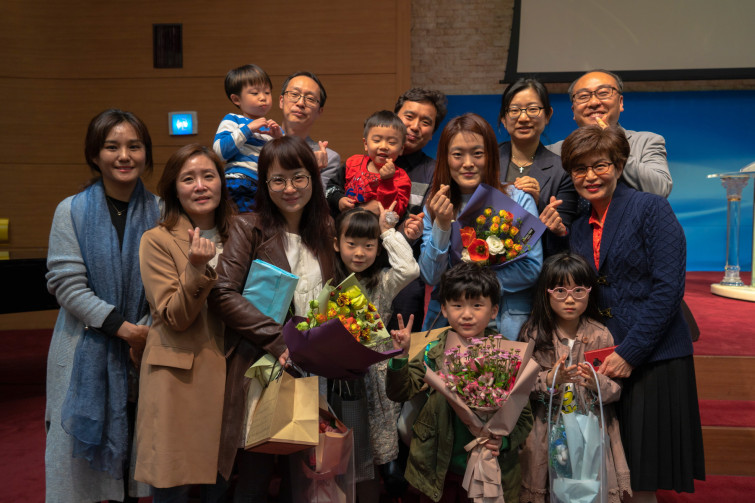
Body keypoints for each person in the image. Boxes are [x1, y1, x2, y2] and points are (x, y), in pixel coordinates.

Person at [557, 125, 704, 502]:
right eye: (579, 169)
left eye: (600, 165)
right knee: (608, 469)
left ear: (620, 166)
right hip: (604, 359)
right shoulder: (578, 227)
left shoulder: (651, 208)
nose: (590, 176)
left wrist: (630, 353)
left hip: (653, 357)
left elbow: (668, 288)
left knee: (640, 478)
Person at [207, 135, 335, 501]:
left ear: (313, 179)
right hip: (262, 367)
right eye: (278, 180)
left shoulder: (325, 231)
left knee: (305, 477)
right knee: (255, 474)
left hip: (312, 371)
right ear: (265, 184)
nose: (289, 188)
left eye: (298, 177)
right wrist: (278, 341)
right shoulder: (248, 228)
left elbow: (332, 296)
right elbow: (222, 294)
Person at [45, 109, 160, 502]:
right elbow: (66, 285)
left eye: (134, 146)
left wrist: (146, 331)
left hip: (145, 351)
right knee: (84, 475)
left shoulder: (162, 211)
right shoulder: (71, 210)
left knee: (135, 463)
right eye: (112, 147)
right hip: (84, 347)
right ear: (95, 155)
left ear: (146, 153)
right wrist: (126, 330)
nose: (124, 156)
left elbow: (167, 286)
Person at [135, 145, 235, 502]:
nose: (200, 186)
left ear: (221, 183)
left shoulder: (240, 234)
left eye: (208, 176)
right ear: (174, 190)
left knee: (220, 489)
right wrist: (195, 267)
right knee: (172, 489)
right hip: (177, 380)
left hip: (233, 376)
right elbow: (175, 317)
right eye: (188, 179)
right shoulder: (156, 240)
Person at [386, 262, 533, 503]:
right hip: (438, 469)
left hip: (489, 469)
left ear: (494, 310)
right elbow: (399, 392)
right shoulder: (432, 349)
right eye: (457, 305)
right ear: (444, 309)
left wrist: (504, 441)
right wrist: (401, 356)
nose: (466, 314)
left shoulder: (508, 354)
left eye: (477, 305)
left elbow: (524, 417)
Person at [518, 252, 631, 503]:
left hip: (591, 426)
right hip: (546, 425)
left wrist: (596, 383)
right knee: (546, 481)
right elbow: (521, 385)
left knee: (588, 484)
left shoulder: (600, 334)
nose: (570, 299)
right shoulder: (535, 333)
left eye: (578, 290)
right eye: (560, 291)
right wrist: (550, 379)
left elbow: (616, 388)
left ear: (590, 292)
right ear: (546, 293)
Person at [419, 113, 543, 339]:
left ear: (491, 155)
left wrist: (472, 287)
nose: (468, 163)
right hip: (448, 325)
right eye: (458, 154)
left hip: (505, 322)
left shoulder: (518, 200)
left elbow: (531, 268)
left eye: (477, 153)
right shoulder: (435, 205)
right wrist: (442, 226)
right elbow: (431, 276)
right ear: (445, 158)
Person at [330, 206, 420, 502]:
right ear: (336, 244)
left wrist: (387, 233)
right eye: (352, 244)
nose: (360, 253)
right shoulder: (329, 282)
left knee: (370, 463)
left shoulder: (383, 280)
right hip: (339, 382)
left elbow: (409, 269)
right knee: (341, 458)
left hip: (374, 384)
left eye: (368, 246)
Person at [546, 70, 672, 198]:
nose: (594, 102)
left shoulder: (647, 142)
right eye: (583, 96)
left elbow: (660, 190)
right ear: (573, 110)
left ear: (620, 102)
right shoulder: (552, 152)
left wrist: (614, 144)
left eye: (603, 93)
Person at [498, 78, 577, 255]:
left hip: (538, 265)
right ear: (503, 118)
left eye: (533, 109)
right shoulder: (486, 160)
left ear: (548, 115)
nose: (523, 118)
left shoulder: (562, 171)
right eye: (514, 110)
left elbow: (564, 240)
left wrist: (536, 205)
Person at [213, 64, 283, 213]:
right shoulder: (233, 120)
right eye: (255, 93)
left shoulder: (274, 128)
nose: (263, 97)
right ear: (236, 99)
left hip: (265, 186)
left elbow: (286, 161)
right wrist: (248, 129)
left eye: (267, 92)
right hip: (239, 180)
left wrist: (279, 140)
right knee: (242, 222)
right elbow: (219, 152)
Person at [330, 110, 412, 218]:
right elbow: (331, 187)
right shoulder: (353, 163)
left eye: (392, 142)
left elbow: (396, 214)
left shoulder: (402, 179)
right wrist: (338, 199)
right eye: (377, 140)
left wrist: (387, 181)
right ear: (366, 144)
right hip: (345, 224)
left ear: (401, 149)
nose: (383, 146)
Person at [278, 70, 341, 187]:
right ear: (281, 101)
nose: (300, 103)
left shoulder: (328, 159)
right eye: (294, 94)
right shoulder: (257, 141)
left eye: (310, 99)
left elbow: (321, 198)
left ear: (319, 111)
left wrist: (313, 171)